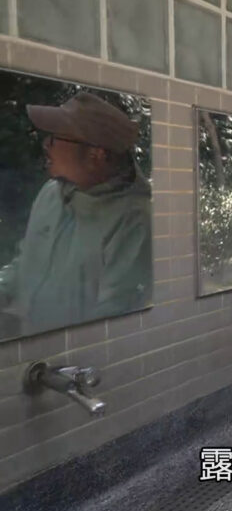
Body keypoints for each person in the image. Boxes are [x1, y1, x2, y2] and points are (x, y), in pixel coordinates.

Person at [0, 91, 152, 338]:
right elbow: (25, 262)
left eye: (56, 138)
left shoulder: (135, 219)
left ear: (96, 154)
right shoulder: (50, 193)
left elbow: (116, 316)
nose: (46, 144)